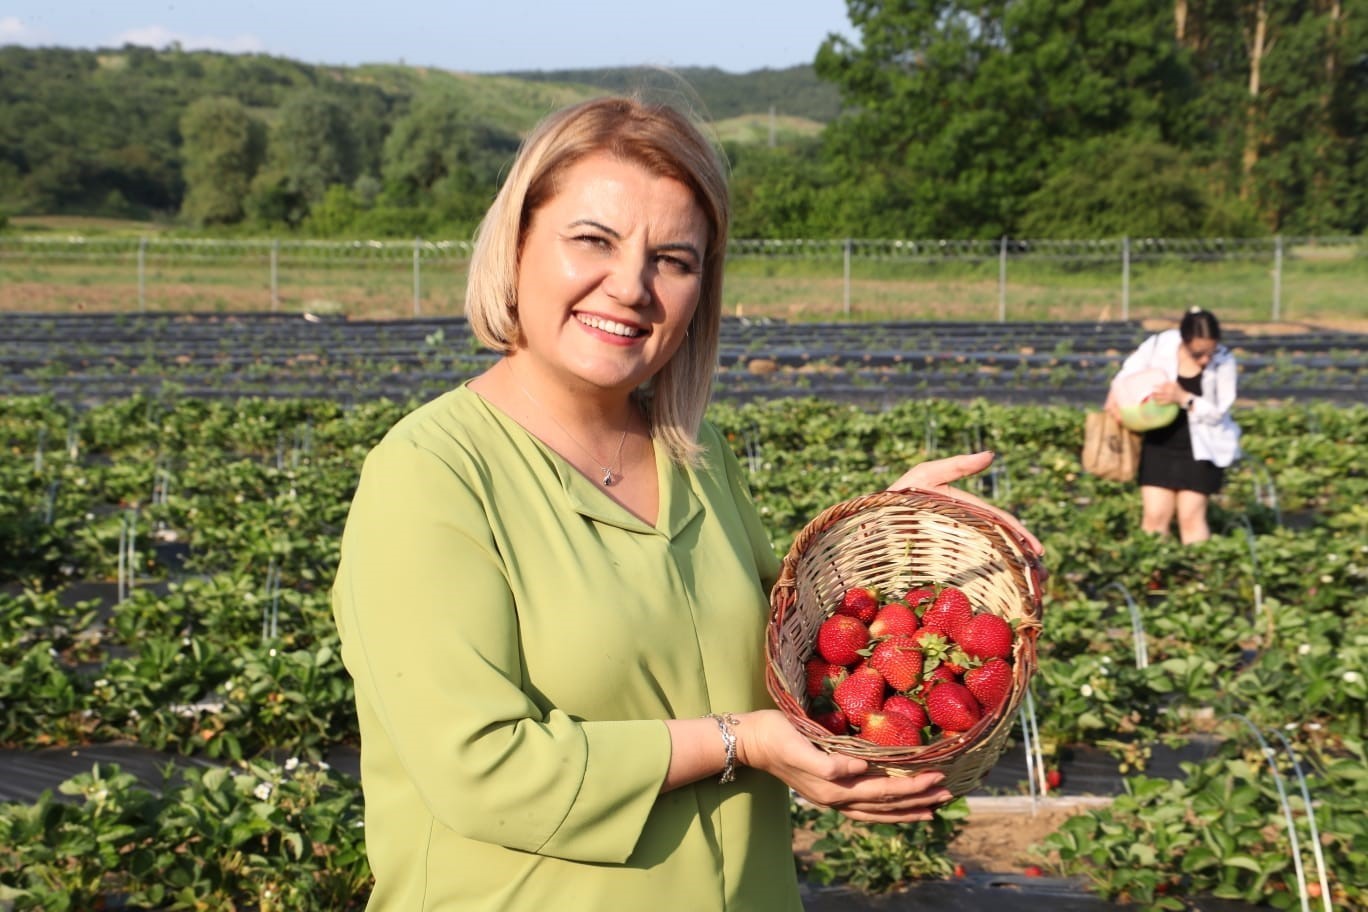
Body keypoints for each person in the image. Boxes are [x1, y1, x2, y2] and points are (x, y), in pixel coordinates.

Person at [330, 95, 1044, 912]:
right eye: (592, 240)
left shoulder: (694, 458)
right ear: (517, 246)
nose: (632, 286)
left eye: (674, 259)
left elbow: (793, 656)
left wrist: (883, 555)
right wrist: (737, 743)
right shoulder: (434, 474)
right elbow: (482, 768)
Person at [1104, 306, 1242, 543]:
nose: (1206, 359)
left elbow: (1219, 412)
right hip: (1159, 444)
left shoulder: (1224, 361)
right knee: (1154, 518)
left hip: (1201, 449)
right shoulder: (1160, 345)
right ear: (1184, 340)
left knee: (1191, 518)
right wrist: (1115, 400)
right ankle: (1155, 576)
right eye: (1198, 353)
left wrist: (1184, 398)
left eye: (1211, 351)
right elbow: (1126, 374)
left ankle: (1199, 577)